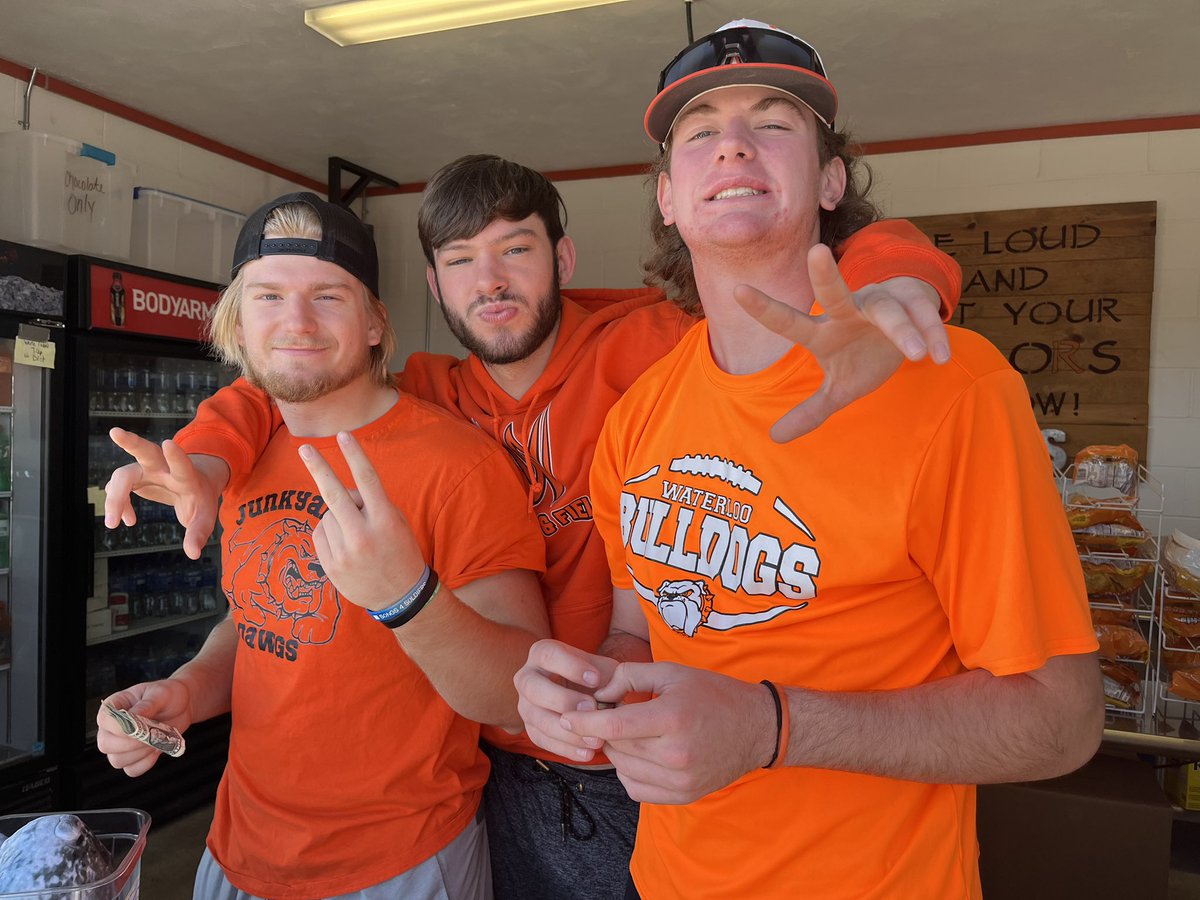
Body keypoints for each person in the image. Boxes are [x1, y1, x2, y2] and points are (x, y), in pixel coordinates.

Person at [112, 159, 962, 899]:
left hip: (664, 745)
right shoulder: (434, 388)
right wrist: (209, 456)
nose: (490, 282)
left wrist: (905, 277)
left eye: (515, 250)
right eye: (459, 260)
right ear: (433, 284)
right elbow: (290, 374)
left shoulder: (648, 345)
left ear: (562, 258)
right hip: (507, 769)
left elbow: (776, 289)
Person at [513, 19, 1104, 900]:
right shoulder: (640, 417)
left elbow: (1062, 722)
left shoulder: (953, 388)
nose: (734, 144)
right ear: (669, 197)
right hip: (667, 878)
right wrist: (586, 687)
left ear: (831, 181)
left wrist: (771, 728)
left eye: (774, 122)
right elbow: (642, 621)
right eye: (700, 130)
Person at [97, 193, 548, 900]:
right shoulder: (240, 456)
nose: (296, 322)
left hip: (398, 862)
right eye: (268, 296)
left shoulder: (458, 465)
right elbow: (255, 624)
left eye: (328, 296)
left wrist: (407, 596)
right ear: (238, 325)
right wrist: (185, 690)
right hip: (237, 848)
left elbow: (519, 695)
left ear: (374, 322)